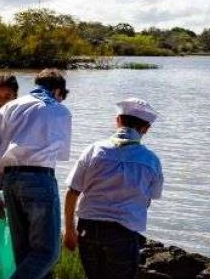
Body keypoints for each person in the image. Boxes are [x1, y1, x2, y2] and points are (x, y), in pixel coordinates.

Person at [0, 68, 72, 279]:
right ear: (57, 91)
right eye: (61, 96)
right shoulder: (60, 110)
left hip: (9, 181)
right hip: (39, 178)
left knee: (23, 254)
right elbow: (61, 155)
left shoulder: (8, 108)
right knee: (48, 253)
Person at [62, 98, 164, 279]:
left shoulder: (93, 150)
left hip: (88, 228)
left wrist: (69, 229)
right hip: (123, 231)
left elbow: (73, 191)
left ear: (117, 120)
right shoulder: (151, 160)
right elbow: (150, 198)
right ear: (146, 128)